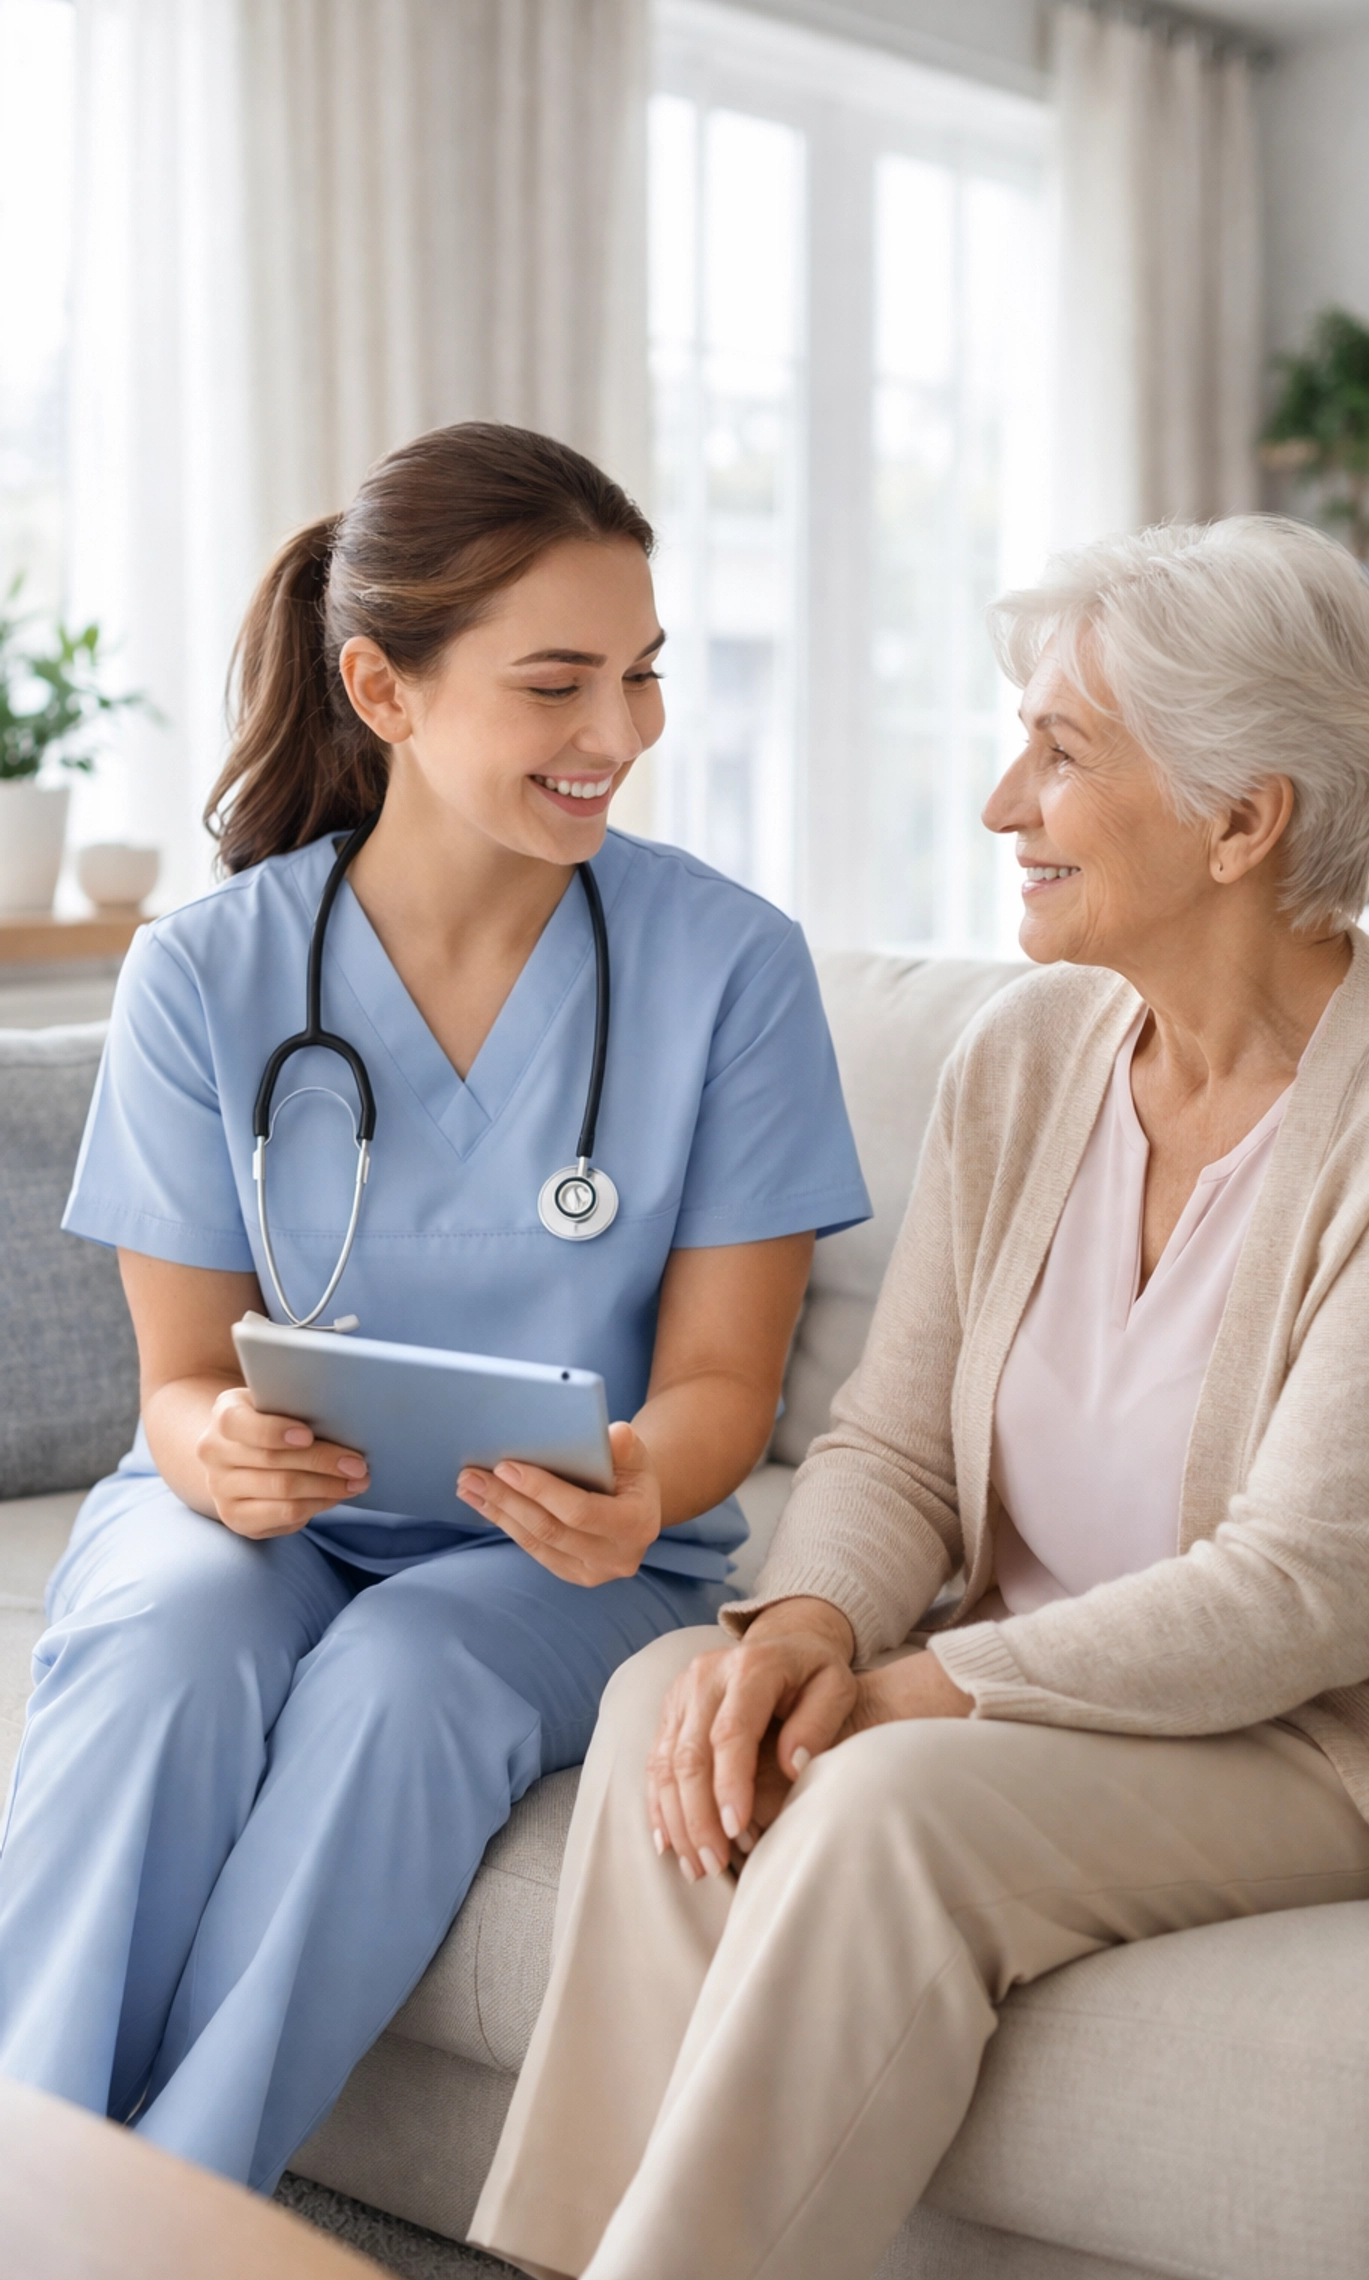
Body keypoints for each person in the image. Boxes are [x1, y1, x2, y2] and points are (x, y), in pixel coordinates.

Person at [470, 515, 1369, 2280]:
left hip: (1329, 1735)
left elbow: (1303, 1599)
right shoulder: (1028, 1057)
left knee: (879, 1801)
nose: (998, 806)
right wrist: (808, 1626)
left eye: (1060, 753)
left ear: (1240, 819)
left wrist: (915, 1690)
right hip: (1037, 1669)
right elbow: (890, 1442)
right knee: (694, 1692)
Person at [0, 422, 869, 2195]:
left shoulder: (731, 971)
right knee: (168, 1645)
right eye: (558, 685)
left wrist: (636, 1473)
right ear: (381, 689)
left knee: (403, 1676)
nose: (620, 737)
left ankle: (165, 2214)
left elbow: (720, 1385)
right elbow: (175, 1385)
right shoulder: (211, 969)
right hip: (258, 1524)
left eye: (641, 678)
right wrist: (215, 1452)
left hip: (566, 1555)